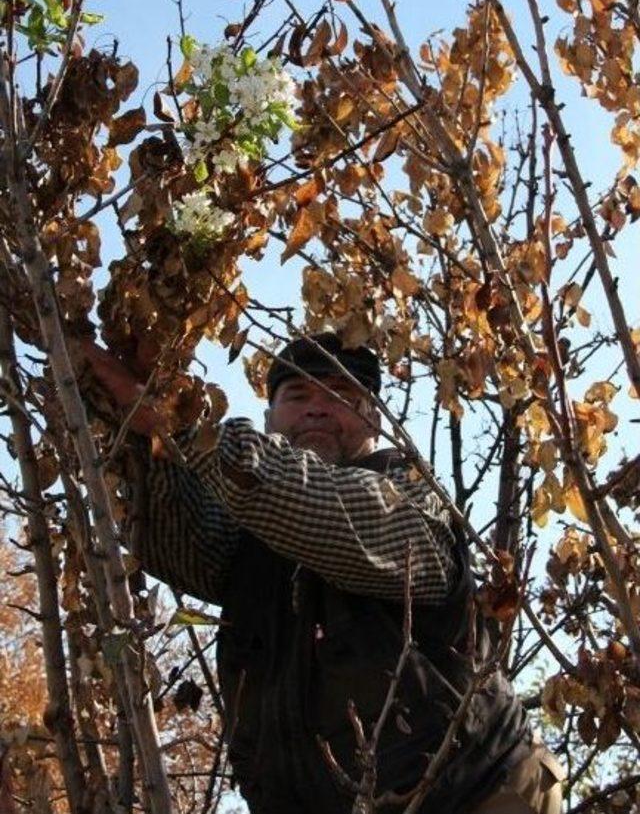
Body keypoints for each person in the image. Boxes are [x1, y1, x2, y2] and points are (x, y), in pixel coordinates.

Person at [83, 332, 564, 814]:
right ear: (269, 417)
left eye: (340, 395)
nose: (317, 408)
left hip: (477, 796)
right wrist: (136, 427)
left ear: (374, 417)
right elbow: (169, 538)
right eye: (297, 395)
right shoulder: (250, 537)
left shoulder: (411, 491)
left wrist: (181, 422)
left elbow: (331, 515)